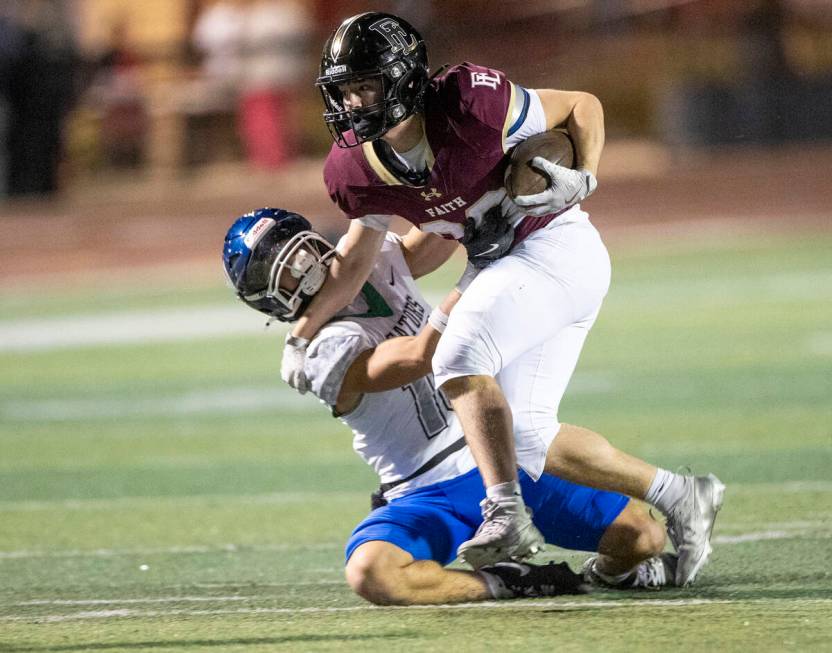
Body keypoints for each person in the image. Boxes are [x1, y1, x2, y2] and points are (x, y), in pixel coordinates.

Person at [280, 12, 724, 585]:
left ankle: (506, 513)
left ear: (404, 78)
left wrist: (583, 176)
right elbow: (357, 260)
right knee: (524, 435)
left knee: (456, 358)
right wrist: (302, 332)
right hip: (513, 265)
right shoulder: (353, 168)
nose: (353, 101)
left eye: (365, 84)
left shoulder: (469, 101)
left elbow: (581, 106)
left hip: (556, 248)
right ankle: (685, 495)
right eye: (344, 89)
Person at [223, 207, 677, 605]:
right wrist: (478, 269)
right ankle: (505, 584)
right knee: (371, 572)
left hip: (498, 457)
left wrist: (470, 208)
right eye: (276, 262)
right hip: (424, 490)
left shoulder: (370, 262)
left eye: (291, 244)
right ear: (266, 293)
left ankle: (607, 575)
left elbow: (438, 238)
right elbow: (424, 355)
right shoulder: (318, 354)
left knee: (644, 538)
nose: (299, 260)